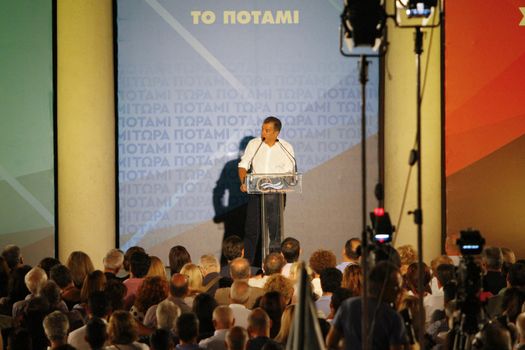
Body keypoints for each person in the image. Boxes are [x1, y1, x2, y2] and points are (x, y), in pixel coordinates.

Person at [238, 116, 295, 265]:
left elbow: (290, 173)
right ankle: (248, 267)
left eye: (267, 130)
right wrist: (244, 181)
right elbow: (243, 165)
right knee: (251, 230)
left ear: (276, 132)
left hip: (276, 195)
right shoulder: (254, 144)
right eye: (263, 129)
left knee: (275, 233)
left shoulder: (286, 147)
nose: (263, 132)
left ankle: (273, 265)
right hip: (256, 193)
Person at [326, 261, 409, 350]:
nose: (399, 292)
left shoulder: (347, 306)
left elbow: (330, 342)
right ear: (383, 285)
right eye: (396, 287)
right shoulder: (393, 317)